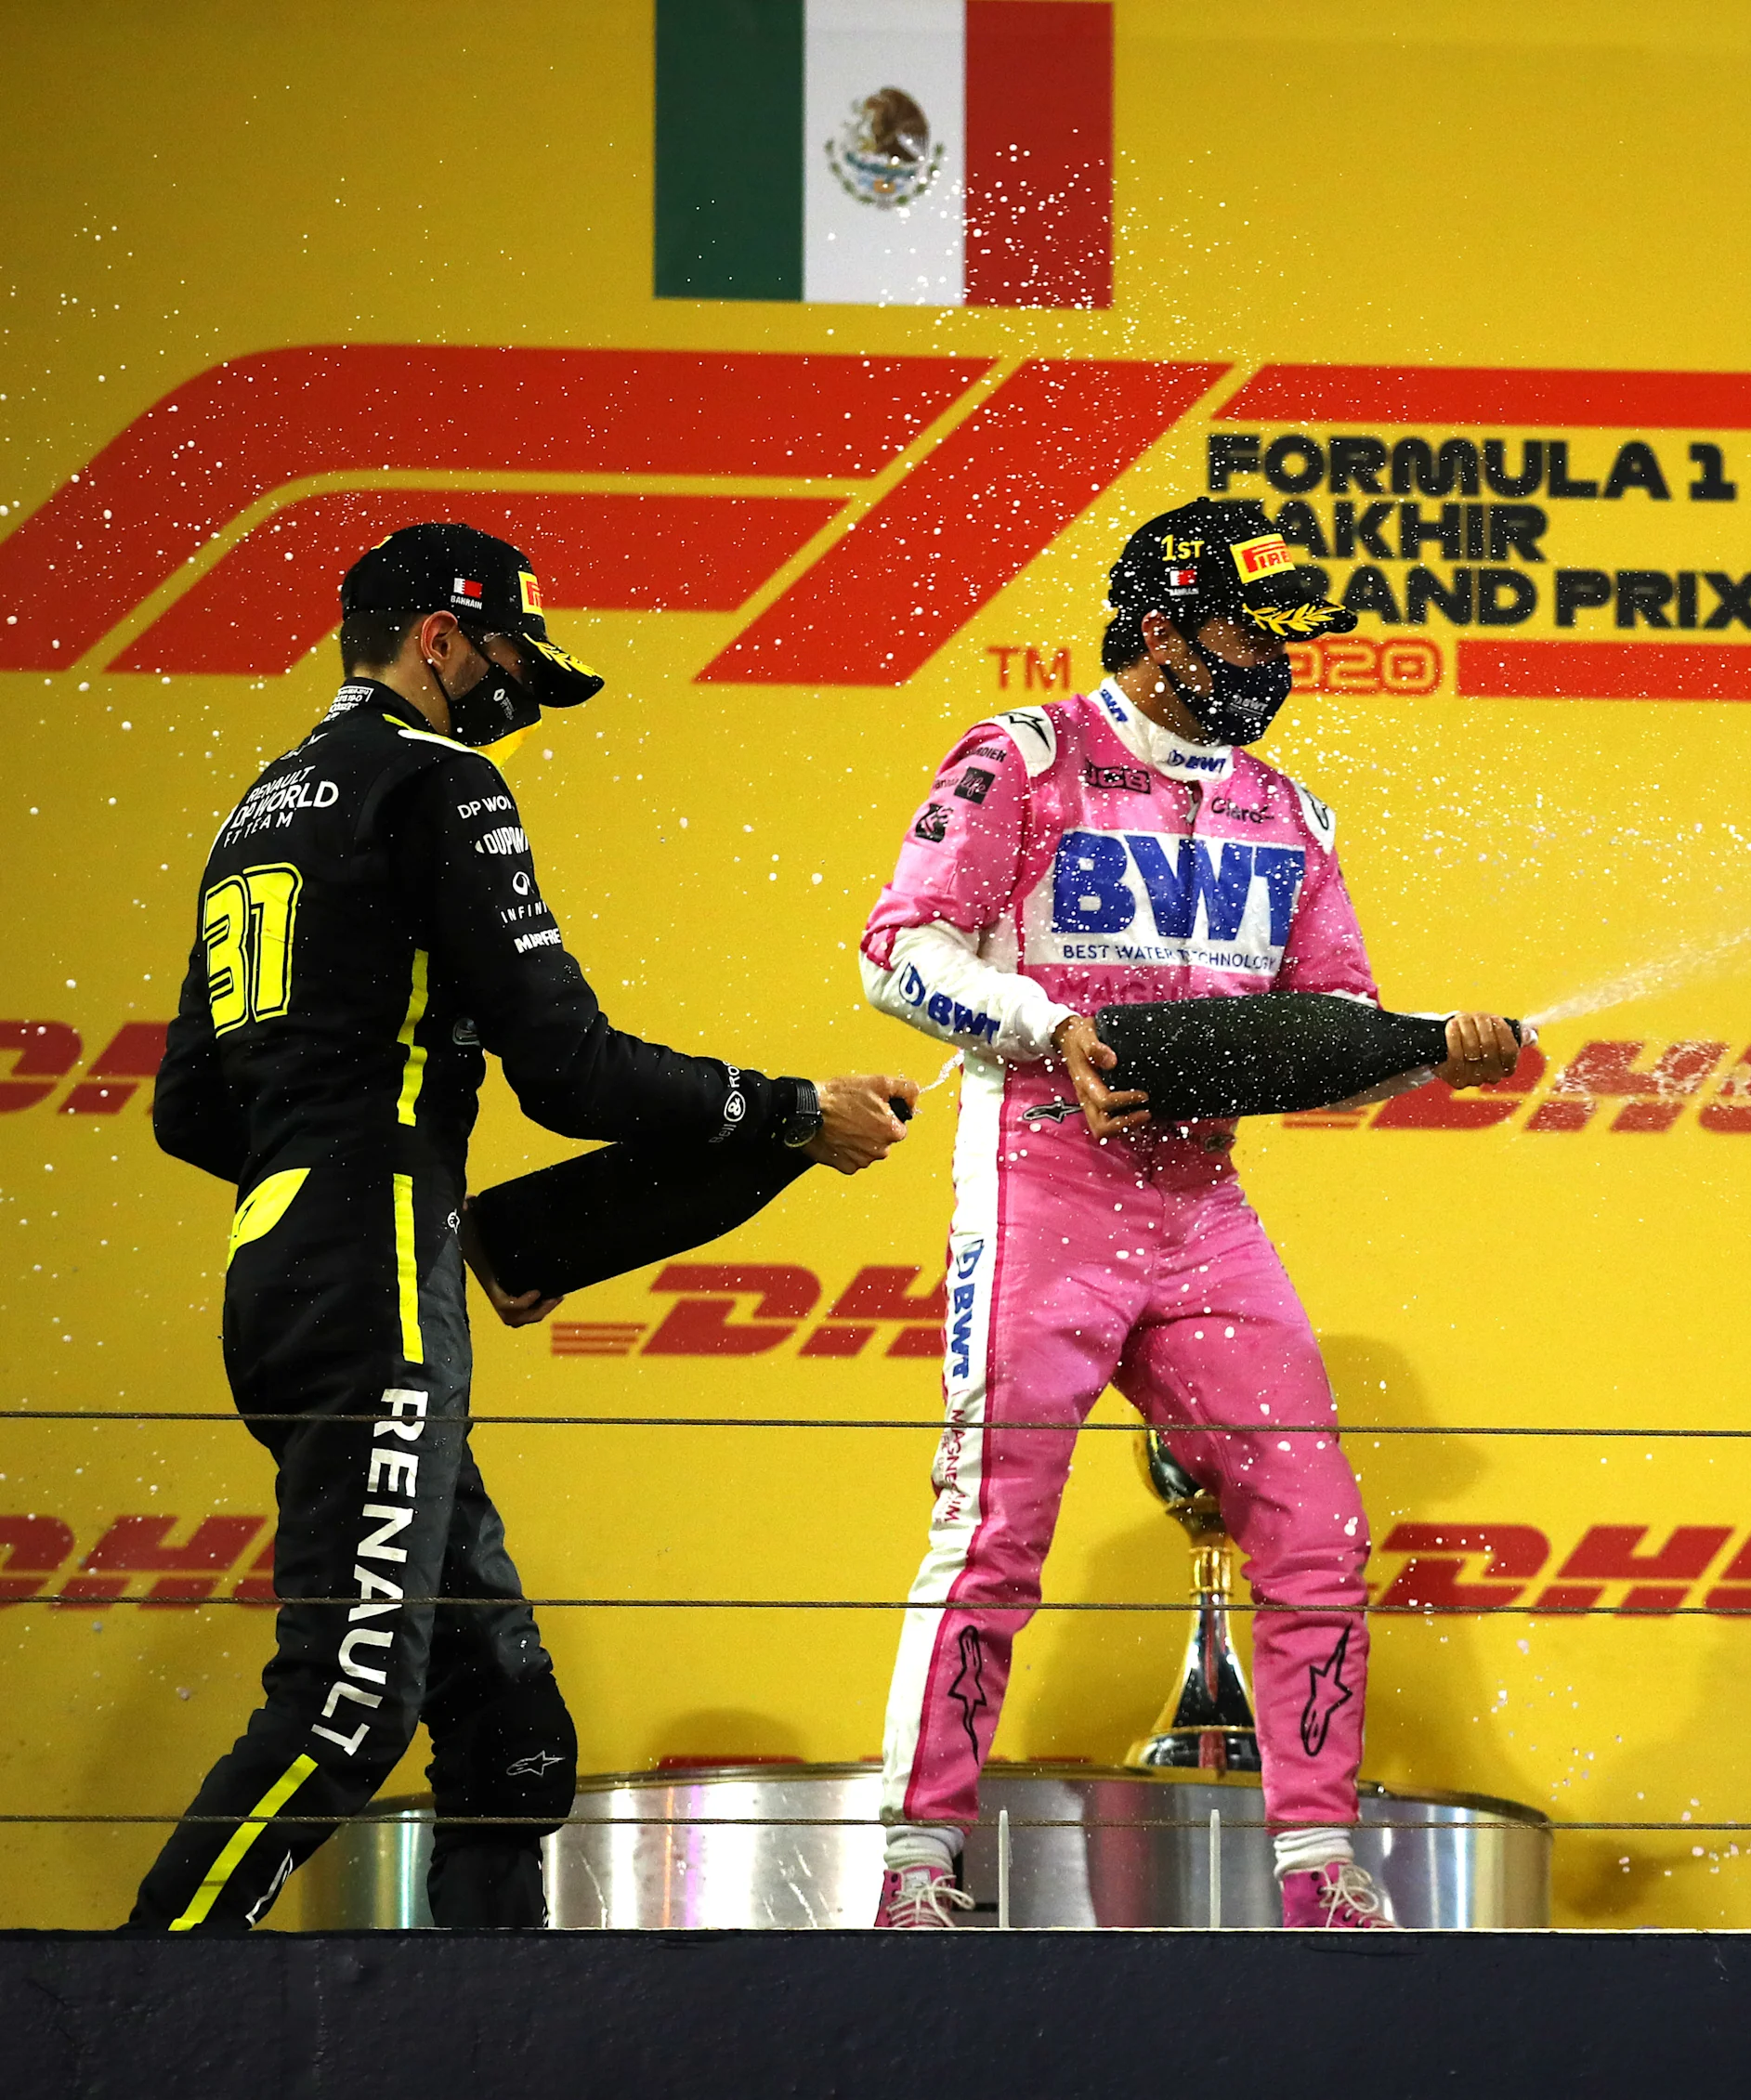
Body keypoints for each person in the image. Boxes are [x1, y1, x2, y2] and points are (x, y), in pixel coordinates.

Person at [132, 523, 910, 1931]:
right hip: (373, 1273)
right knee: (344, 1716)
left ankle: (476, 2052)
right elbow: (570, 1070)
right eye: (507, 656)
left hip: (291, 1260)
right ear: (437, 636)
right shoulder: (438, 781)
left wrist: (363, 1184)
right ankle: (125, 2016)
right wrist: (791, 1109)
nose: (514, 695)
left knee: (508, 1734)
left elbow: (188, 1110)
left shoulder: (262, 803)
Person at [856, 497, 1523, 1930]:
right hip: (1040, 1175)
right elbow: (897, 951)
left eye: (1288, 634)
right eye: (1249, 629)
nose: (1276, 661)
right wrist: (1049, 1029)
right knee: (995, 1531)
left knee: (1318, 1523)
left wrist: (1426, 1048)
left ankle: (1318, 1870)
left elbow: (1326, 1031)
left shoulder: (1291, 811)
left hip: (1202, 1202)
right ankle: (917, 1867)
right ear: (1159, 628)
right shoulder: (1022, 757)